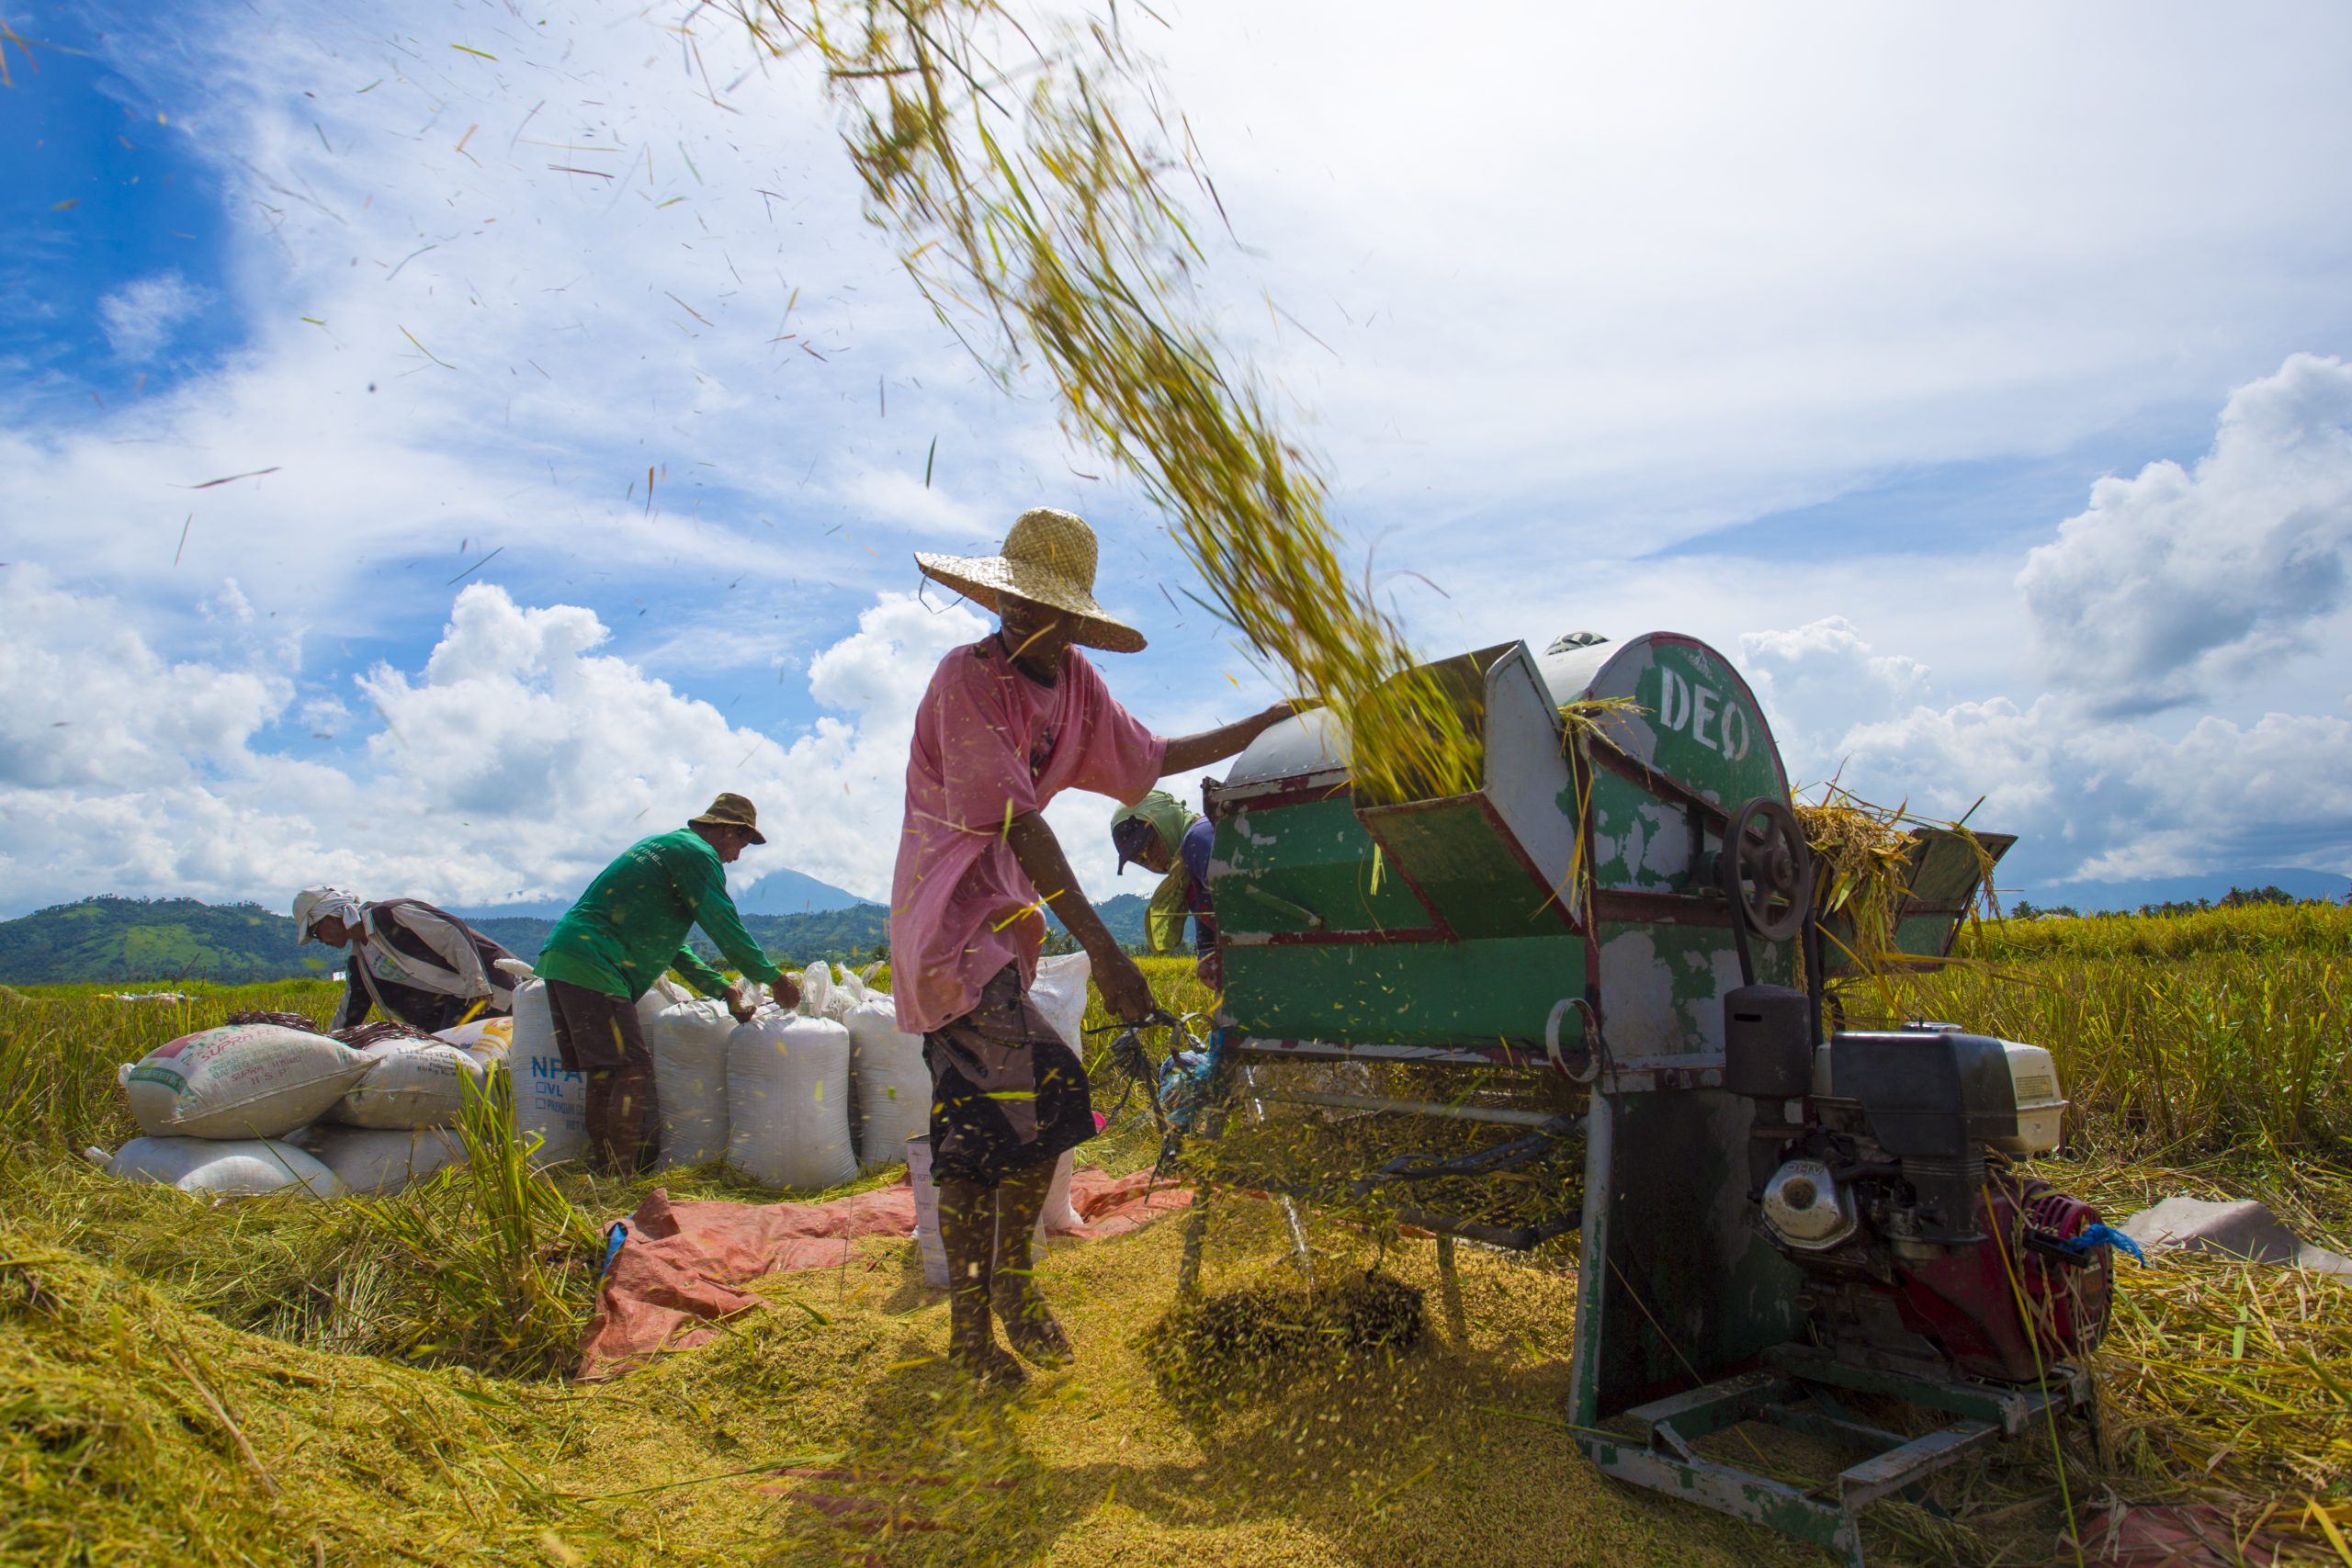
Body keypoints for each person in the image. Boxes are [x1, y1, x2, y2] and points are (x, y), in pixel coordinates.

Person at [893, 507, 1304, 1385]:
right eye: (1014, 605)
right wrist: (1107, 953)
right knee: (1039, 1092)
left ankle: (981, 1322)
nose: (1026, 623)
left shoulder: (1074, 682)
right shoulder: (966, 679)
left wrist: (1259, 728)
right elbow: (1018, 821)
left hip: (1003, 929)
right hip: (947, 925)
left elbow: (1147, 759)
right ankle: (1001, 1293)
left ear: (1077, 618)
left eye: (1045, 610)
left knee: (979, 1135)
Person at [534, 793, 801, 1175]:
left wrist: (722, 988)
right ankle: (619, 1178)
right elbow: (723, 923)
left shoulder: (665, 846)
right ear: (728, 829)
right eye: (741, 843)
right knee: (631, 1069)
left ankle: (606, 1173)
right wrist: (773, 978)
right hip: (595, 963)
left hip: (567, 958)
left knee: (607, 1073)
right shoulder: (697, 854)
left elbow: (671, 948)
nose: (737, 856)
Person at [294, 888, 520, 1033]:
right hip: (455, 1004)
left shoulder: (390, 914)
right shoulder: (361, 962)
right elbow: (352, 1008)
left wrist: (476, 984)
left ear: (331, 917)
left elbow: (451, 932)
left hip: (488, 992)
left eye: (316, 932)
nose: (320, 940)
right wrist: (330, 1043)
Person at [1110, 789, 1222, 988]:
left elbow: (1237, 911)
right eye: (1140, 859)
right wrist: (1206, 956)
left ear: (1165, 818)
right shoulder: (1185, 868)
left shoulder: (1199, 839)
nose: (1151, 861)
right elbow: (1206, 922)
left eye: (1150, 845)